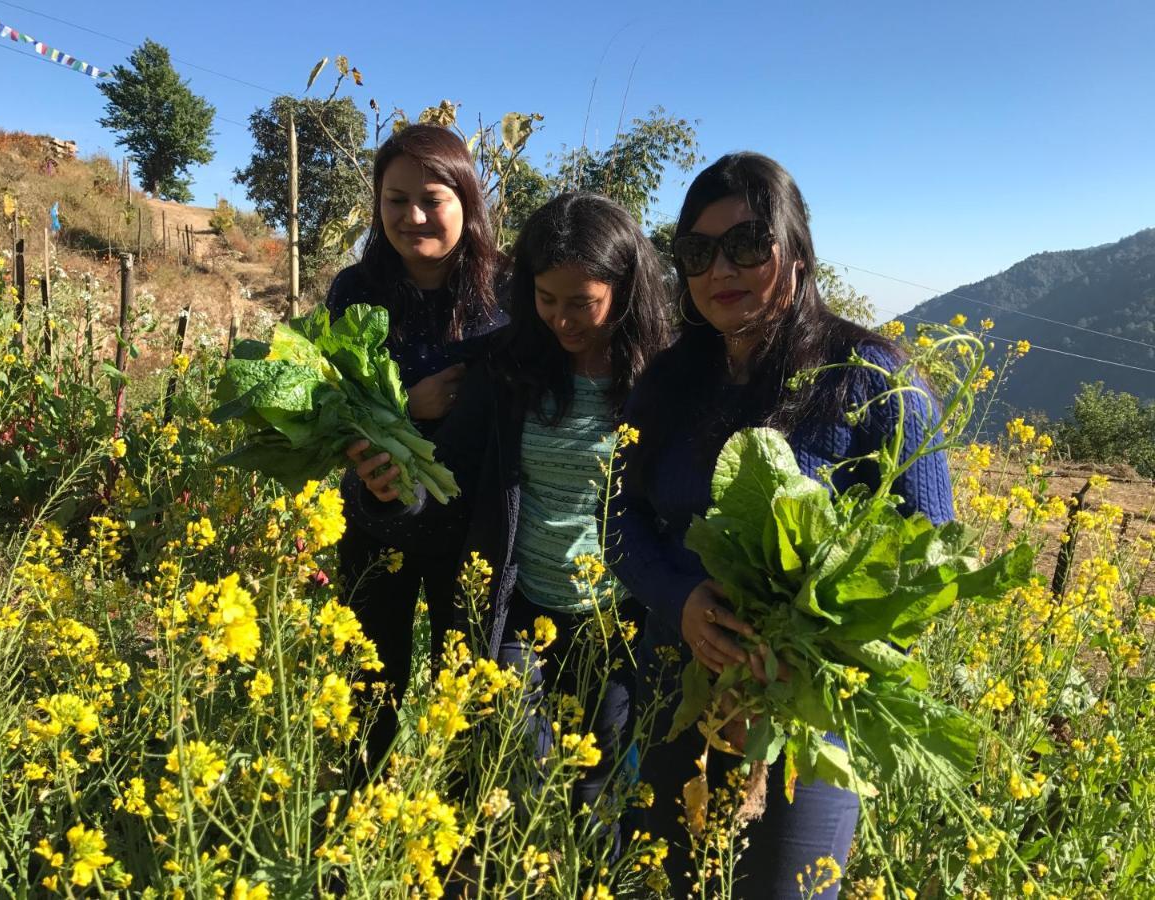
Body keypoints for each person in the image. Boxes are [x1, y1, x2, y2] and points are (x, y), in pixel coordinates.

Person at [609, 153, 955, 898]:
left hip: (807, 722)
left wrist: (800, 658)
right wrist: (682, 602)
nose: (720, 269)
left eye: (747, 243)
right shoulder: (667, 383)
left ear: (795, 250)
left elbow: (928, 570)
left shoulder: (873, 379)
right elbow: (619, 521)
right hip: (675, 700)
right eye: (697, 252)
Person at [347, 192, 672, 816]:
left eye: (582, 304)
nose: (561, 321)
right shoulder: (504, 368)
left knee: (597, 787)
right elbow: (454, 485)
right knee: (515, 776)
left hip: (617, 620)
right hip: (518, 608)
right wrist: (394, 494)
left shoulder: (663, 380)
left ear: (626, 290)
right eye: (545, 301)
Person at [326, 123, 506, 773]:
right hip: (378, 517)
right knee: (372, 683)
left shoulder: (507, 292)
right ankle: (354, 828)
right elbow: (332, 406)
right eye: (395, 200)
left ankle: (458, 852)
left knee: (465, 692)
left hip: (475, 529)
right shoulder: (356, 290)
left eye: (432, 198)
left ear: (467, 199)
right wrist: (409, 404)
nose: (413, 216)